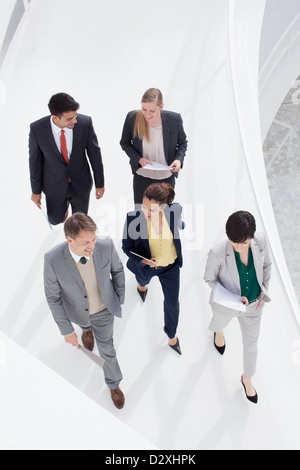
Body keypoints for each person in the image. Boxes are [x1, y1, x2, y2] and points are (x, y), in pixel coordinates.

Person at [44, 212, 125, 409]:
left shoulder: (105, 246)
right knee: (85, 325)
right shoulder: (52, 259)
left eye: (93, 239)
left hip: (104, 310)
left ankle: (113, 383)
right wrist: (67, 331)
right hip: (77, 312)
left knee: (107, 349)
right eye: (85, 242)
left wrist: (119, 298)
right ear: (69, 239)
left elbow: (117, 270)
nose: (91, 246)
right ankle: (86, 330)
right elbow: (53, 298)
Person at [204, 211, 272, 404]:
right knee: (218, 323)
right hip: (227, 305)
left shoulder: (260, 241)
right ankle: (219, 332)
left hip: (254, 306)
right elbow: (210, 279)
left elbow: (267, 265)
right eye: (235, 243)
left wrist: (263, 292)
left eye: (244, 243)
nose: (239, 247)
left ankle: (247, 379)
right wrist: (232, 299)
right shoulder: (217, 252)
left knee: (251, 346)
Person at [122, 182, 184, 355]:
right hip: (147, 267)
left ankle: (171, 335)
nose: (146, 213)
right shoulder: (132, 219)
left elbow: (178, 212)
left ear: (164, 207)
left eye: (153, 210)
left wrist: (180, 224)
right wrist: (143, 262)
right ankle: (141, 286)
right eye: (144, 207)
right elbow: (126, 248)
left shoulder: (174, 211)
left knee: (172, 302)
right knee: (142, 280)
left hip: (171, 267)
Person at [29, 92, 105, 225]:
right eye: (69, 119)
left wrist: (100, 183)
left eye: (75, 116)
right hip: (54, 185)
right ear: (55, 117)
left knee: (79, 224)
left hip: (80, 183)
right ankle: (62, 213)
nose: (74, 121)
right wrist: (36, 191)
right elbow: (34, 161)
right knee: (55, 220)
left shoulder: (85, 123)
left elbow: (95, 154)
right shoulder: (37, 129)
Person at [120, 88, 188, 205]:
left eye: (152, 111)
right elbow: (124, 143)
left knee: (163, 217)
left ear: (161, 107)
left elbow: (182, 143)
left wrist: (178, 160)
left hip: (165, 177)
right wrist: (139, 159)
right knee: (141, 215)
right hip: (142, 175)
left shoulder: (174, 120)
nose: (147, 114)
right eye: (144, 109)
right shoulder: (132, 118)